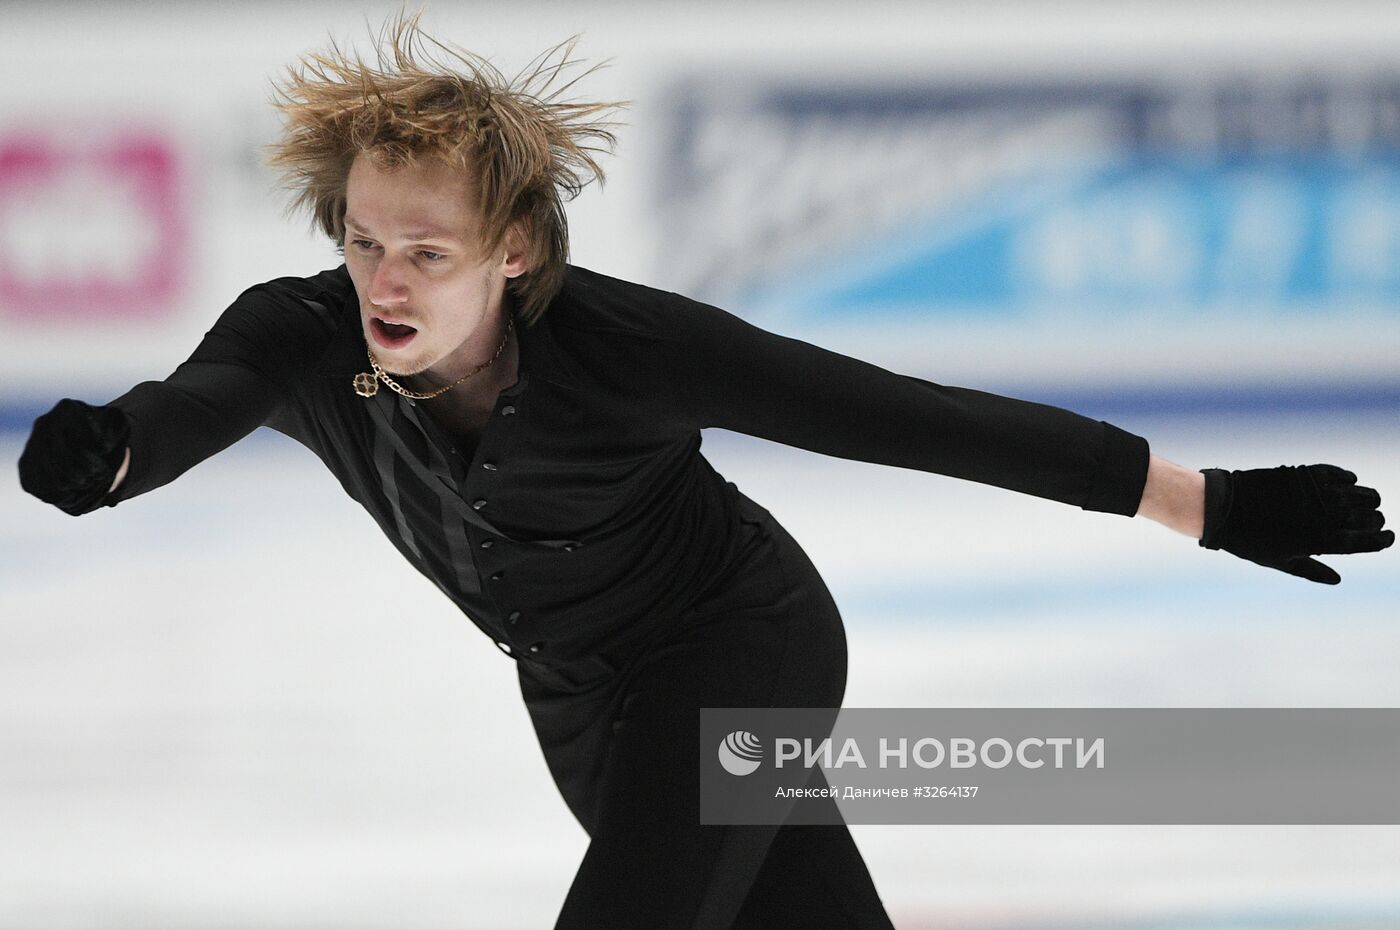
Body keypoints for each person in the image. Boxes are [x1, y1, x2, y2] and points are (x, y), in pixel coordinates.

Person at [16, 15, 1393, 930]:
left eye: (424, 252)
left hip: (740, 640)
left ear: (511, 251)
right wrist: (115, 452)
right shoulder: (306, 337)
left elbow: (906, 417)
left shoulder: (623, 347)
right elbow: (190, 404)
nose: (383, 277)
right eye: (367, 240)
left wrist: (1206, 504)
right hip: (586, 709)